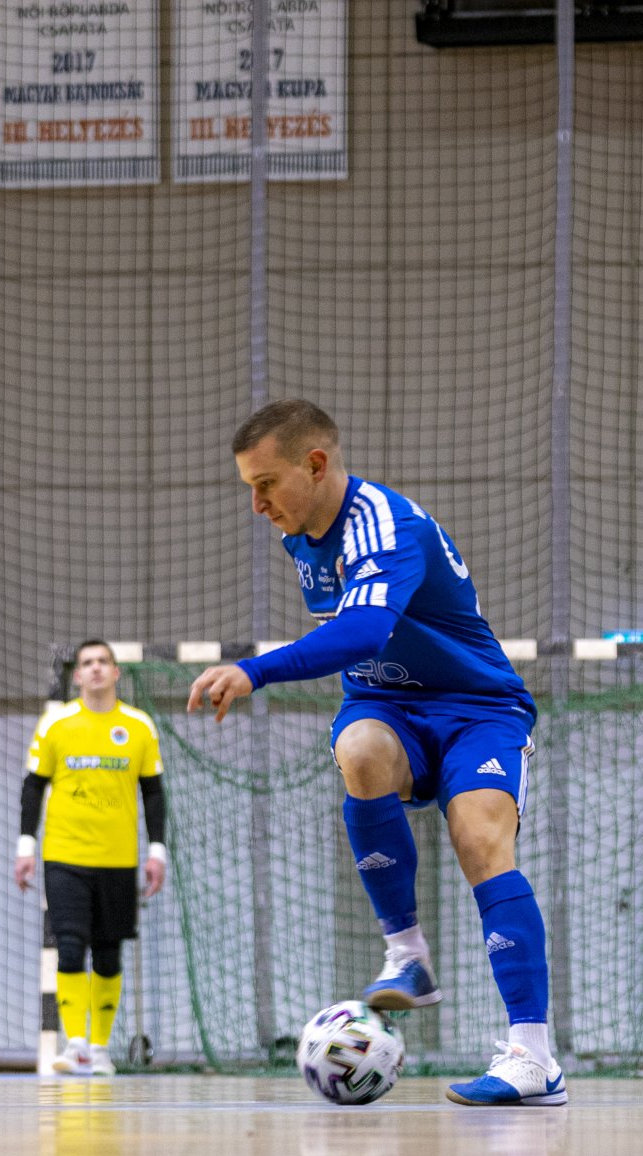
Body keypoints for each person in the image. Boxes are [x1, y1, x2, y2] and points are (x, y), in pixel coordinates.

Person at [186, 400, 564, 1106]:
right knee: (358, 749)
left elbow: (361, 632)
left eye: (265, 484)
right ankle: (408, 954)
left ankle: (533, 1055)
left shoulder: (388, 527)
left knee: (481, 837)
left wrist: (254, 669)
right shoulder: (302, 537)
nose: (257, 504)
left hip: (474, 707)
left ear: (317, 464)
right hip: (385, 705)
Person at [16, 640, 168, 1076]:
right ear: (77, 676)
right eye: (87, 663)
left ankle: (99, 1049)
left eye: (103, 662)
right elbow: (33, 785)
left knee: (107, 952)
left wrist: (156, 851)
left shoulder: (139, 726)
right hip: (64, 855)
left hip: (119, 858)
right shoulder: (56, 723)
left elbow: (153, 792)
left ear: (116, 673)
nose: (96, 669)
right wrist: (25, 846)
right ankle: (75, 1044)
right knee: (68, 945)